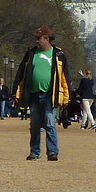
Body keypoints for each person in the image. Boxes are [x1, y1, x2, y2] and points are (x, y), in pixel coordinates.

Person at [13, 25, 70, 161]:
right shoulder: (31, 54)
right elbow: (21, 74)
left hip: (50, 95)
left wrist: (66, 96)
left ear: (47, 39)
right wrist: (16, 93)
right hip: (33, 94)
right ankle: (34, 151)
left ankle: (52, 152)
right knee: (34, 125)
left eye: (39, 38)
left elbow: (65, 77)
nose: (36, 41)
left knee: (50, 123)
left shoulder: (58, 54)